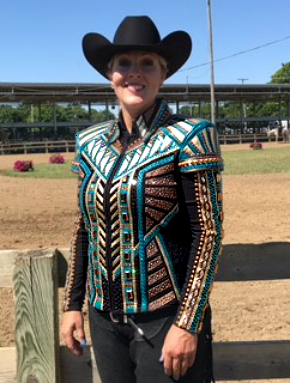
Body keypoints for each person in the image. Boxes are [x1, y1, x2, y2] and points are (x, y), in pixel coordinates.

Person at [61, 15, 223, 383]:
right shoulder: (90, 143)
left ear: (163, 74)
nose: (136, 73)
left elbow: (208, 234)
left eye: (148, 63)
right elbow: (84, 228)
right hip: (103, 321)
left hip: (167, 319)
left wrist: (187, 322)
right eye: (125, 63)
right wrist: (73, 305)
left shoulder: (190, 136)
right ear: (110, 74)